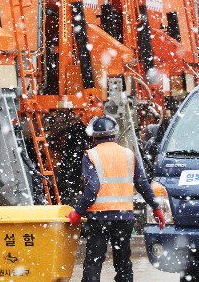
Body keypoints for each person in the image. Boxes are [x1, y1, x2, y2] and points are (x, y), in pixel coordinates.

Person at [67, 115, 166, 282]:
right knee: (123, 263)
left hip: (99, 219)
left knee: (93, 262)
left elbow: (92, 188)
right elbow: (142, 184)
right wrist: (156, 207)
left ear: (93, 136)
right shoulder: (128, 154)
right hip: (124, 218)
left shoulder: (90, 155)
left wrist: (77, 212)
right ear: (114, 135)